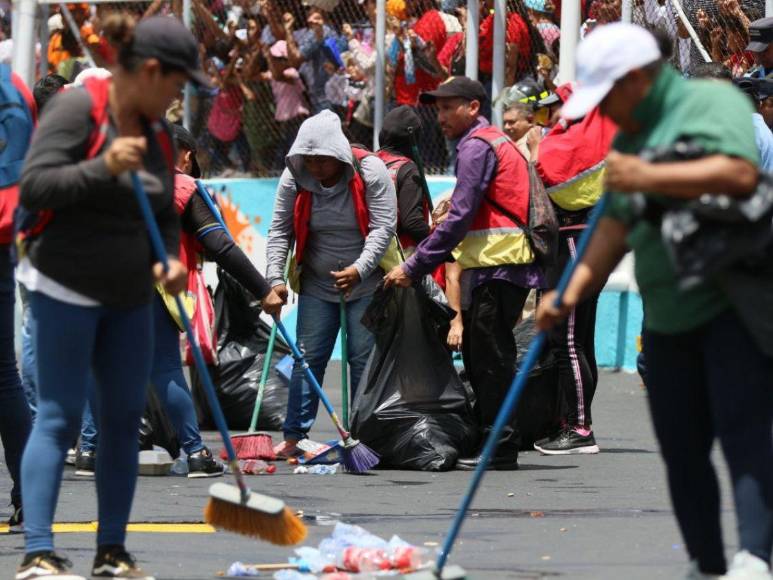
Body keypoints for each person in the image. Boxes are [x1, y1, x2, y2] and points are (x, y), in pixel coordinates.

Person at [537, 23, 773, 579]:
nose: (606, 114)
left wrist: (647, 173)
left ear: (639, 77)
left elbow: (738, 173)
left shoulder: (710, 102)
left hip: (732, 308)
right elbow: (614, 229)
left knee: (744, 435)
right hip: (668, 318)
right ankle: (706, 563)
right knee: (683, 449)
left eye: (609, 96)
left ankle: (756, 558)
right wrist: (567, 294)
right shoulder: (629, 139)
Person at [16, 15, 209, 579]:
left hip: (128, 294)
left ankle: (111, 552)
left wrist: (171, 260)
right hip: (65, 287)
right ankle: (37, 552)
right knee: (58, 416)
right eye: (175, 85)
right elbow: (35, 184)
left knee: (123, 421)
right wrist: (101, 167)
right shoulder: (77, 110)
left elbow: (164, 212)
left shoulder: (156, 133)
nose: (177, 97)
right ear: (149, 71)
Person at [75, 125, 284, 479]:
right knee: (165, 368)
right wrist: (263, 289)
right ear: (184, 154)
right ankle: (196, 452)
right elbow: (221, 246)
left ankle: (90, 450)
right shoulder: (182, 187)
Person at [384, 77, 544, 471]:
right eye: (437, 109)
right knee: (486, 356)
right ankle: (498, 440)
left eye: (448, 107)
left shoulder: (477, 146)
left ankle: (501, 446)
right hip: (498, 265)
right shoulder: (492, 141)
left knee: (489, 360)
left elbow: (460, 218)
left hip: (498, 265)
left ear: (473, 107)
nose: (440, 116)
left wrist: (414, 264)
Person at [265, 110, 396, 458]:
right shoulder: (294, 177)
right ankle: (294, 436)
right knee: (307, 358)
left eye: (323, 160)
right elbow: (280, 231)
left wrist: (359, 269)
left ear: (339, 155)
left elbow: (384, 227)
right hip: (317, 287)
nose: (316, 168)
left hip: (365, 286)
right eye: (309, 160)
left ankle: (361, 434)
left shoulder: (371, 171)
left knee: (362, 359)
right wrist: (274, 279)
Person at [528, 86, 617, 455]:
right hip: (585, 238)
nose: (548, 118)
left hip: (573, 238)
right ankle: (572, 420)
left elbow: (545, 175)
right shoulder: (590, 136)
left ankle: (579, 428)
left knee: (567, 341)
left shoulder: (572, 142)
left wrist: (535, 150)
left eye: (554, 109)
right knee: (580, 339)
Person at [0, 63, 35, 536]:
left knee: (4, 378)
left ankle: (31, 492)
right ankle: (31, 494)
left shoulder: (10, 92)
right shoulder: (13, 89)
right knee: (4, 377)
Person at [377, 105, 431, 254]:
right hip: (400, 257)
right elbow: (412, 222)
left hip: (367, 253)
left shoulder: (368, 162)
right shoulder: (408, 170)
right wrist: (439, 242)